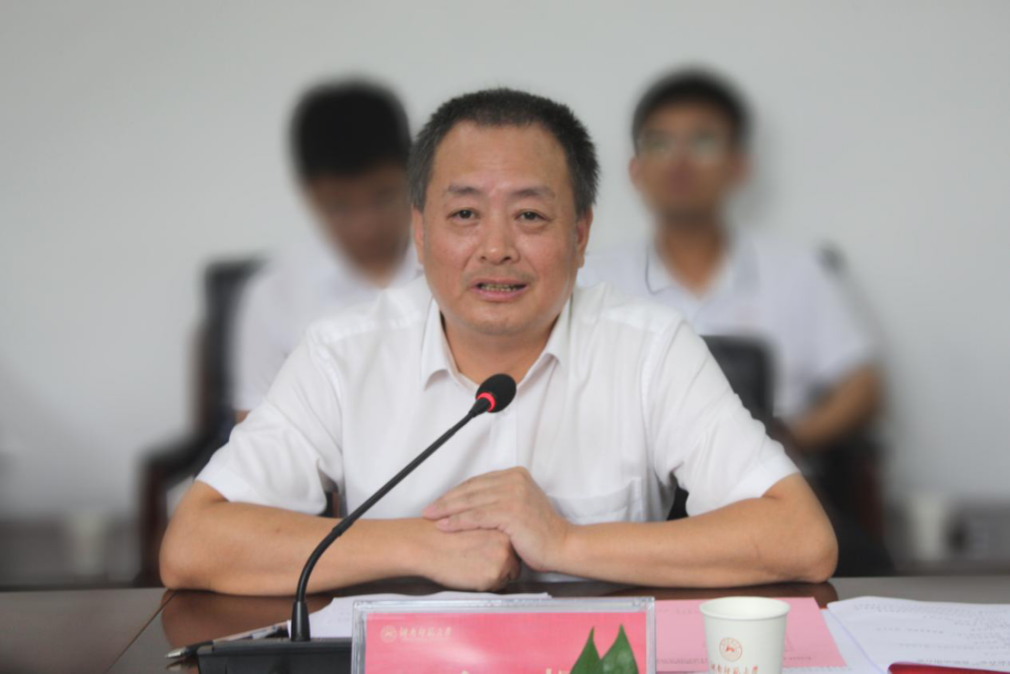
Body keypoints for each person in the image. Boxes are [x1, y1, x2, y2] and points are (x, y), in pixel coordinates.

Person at [161, 88, 837, 595]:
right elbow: (193, 543)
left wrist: (565, 542)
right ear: (420, 233)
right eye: (464, 214)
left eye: (530, 215)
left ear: (580, 236)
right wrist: (420, 546)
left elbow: (801, 539)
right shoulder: (343, 353)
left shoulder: (651, 348)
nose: (495, 248)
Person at [580, 70, 881, 455]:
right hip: (635, 481)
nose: (680, 162)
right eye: (659, 143)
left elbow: (862, 385)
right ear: (635, 170)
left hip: (776, 476)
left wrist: (779, 449)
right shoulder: (591, 277)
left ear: (739, 165)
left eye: (703, 142)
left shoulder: (799, 270)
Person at [232, 79, 421, 421]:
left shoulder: (461, 266)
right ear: (307, 193)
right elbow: (254, 431)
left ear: (414, 173)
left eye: (383, 197)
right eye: (339, 206)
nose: (366, 226)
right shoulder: (274, 293)